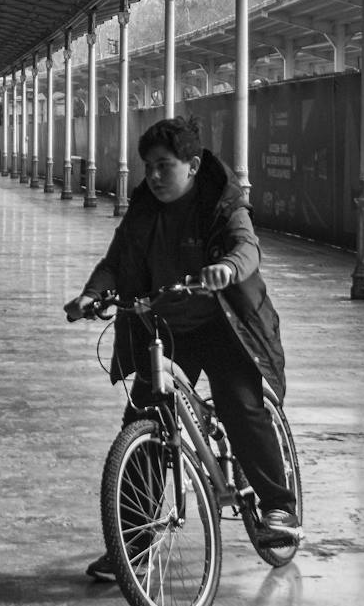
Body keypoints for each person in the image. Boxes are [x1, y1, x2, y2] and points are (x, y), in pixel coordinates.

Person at [66, 116, 298, 581]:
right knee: (145, 421)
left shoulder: (222, 201)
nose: (152, 175)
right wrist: (92, 294)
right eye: (147, 165)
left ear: (192, 166)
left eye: (163, 166)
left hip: (225, 326)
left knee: (240, 403)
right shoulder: (144, 209)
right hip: (165, 329)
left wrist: (228, 269)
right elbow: (117, 260)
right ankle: (131, 545)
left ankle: (278, 509)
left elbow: (246, 246)